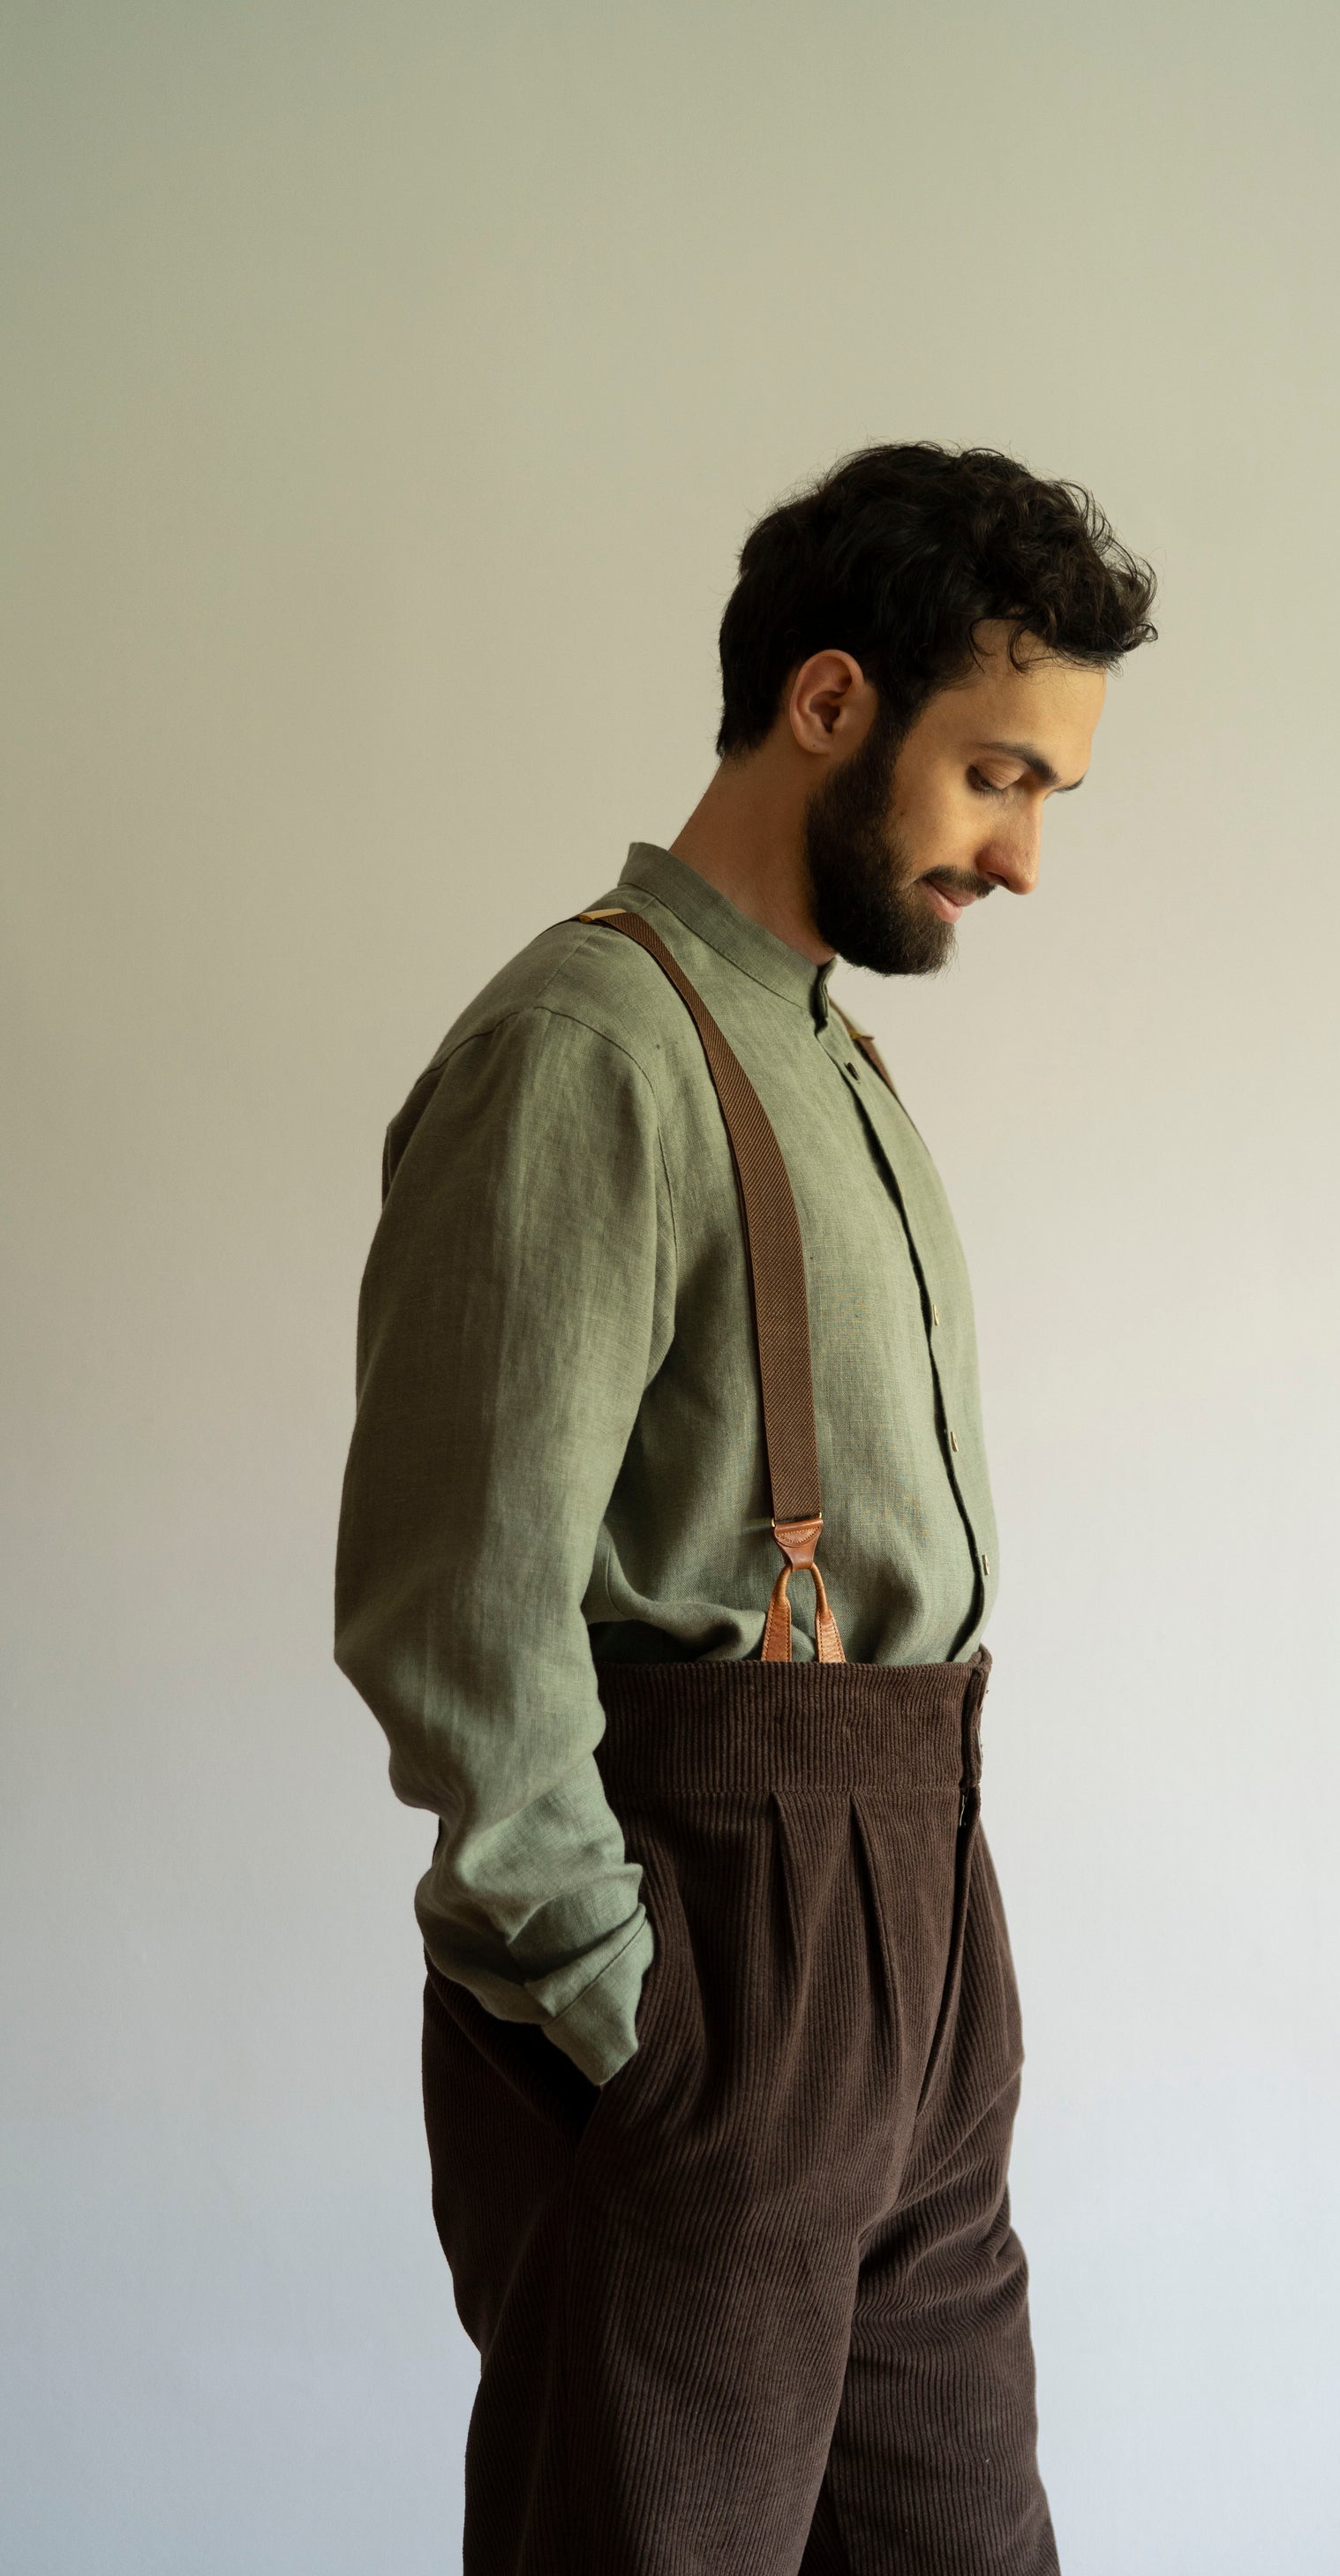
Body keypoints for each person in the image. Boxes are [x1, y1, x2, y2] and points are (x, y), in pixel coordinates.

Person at [334, 441, 1156, 2573]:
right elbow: (461, 1626)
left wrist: (913, 1986)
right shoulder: (586, 1049)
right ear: (826, 706)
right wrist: (645, 2038)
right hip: (717, 1959)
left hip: (916, 1945)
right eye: (999, 775)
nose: (1025, 854)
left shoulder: (829, 1057)